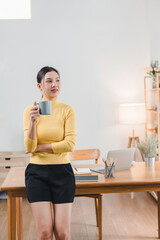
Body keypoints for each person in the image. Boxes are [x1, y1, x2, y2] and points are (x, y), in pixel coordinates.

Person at [23, 66, 76, 240]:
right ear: (39, 86)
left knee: (63, 233)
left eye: (57, 80)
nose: (55, 84)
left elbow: (69, 144)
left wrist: (39, 147)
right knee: (44, 233)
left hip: (62, 172)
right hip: (37, 173)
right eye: (49, 81)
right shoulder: (29, 112)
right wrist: (32, 122)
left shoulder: (67, 110)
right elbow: (29, 145)